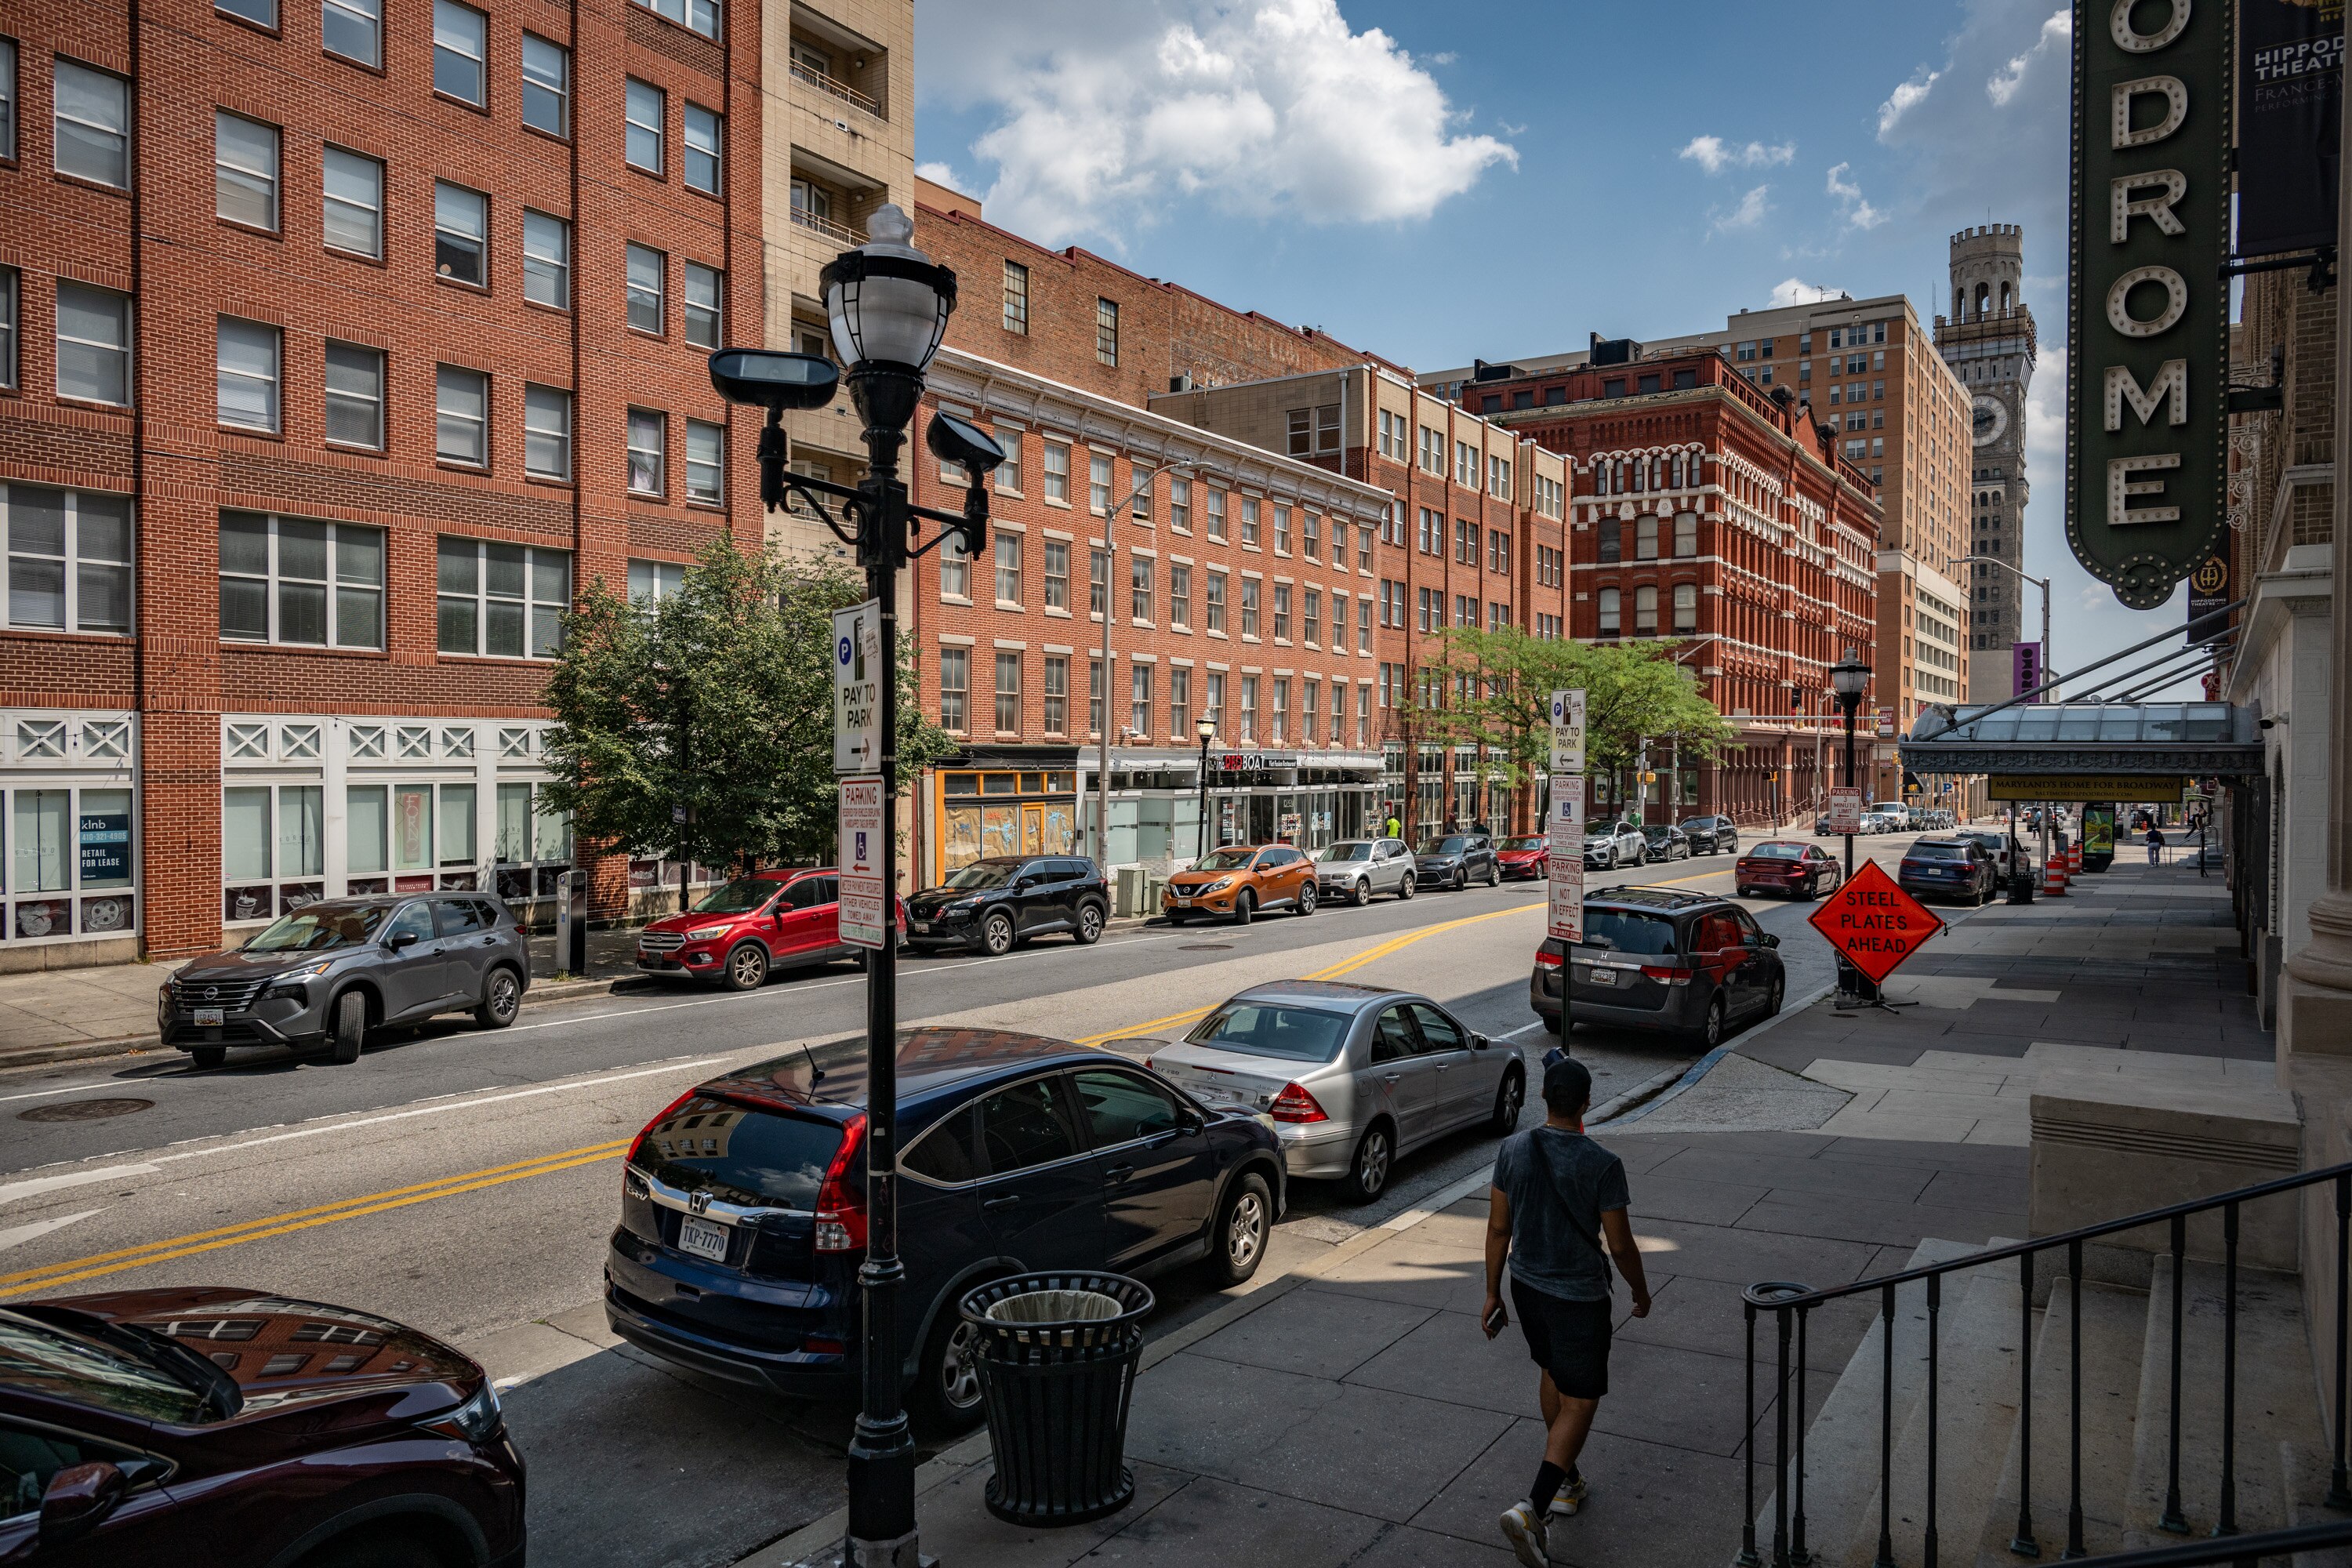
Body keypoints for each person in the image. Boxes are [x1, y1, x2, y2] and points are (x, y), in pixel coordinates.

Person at [1484, 1058, 1652, 1566]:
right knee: (1581, 1400)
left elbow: (1498, 1229)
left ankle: (1568, 1479)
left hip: (1526, 1288)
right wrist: (1640, 1293)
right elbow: (1620, 1245)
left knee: (1553, 1373)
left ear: (1544, 1099)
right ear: (1585, 1104)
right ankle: (1532, 1508)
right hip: (1578, 1298)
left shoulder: (1512, 1149)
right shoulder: (1602, 1164)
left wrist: (1491, 1293)